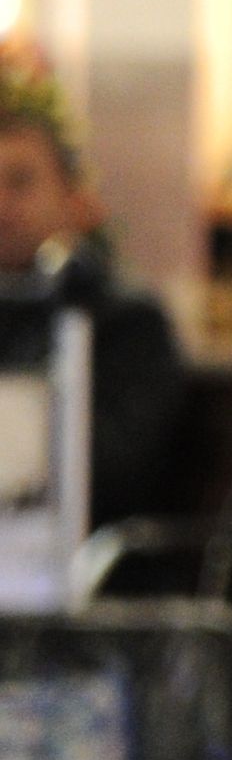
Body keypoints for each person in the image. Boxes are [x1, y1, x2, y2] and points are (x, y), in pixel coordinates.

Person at [0, 100, 191, 539]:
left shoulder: (122, 320)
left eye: (20, 182)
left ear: (75, 201)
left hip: (84, 565)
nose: (2, 205)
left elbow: (110, 473)